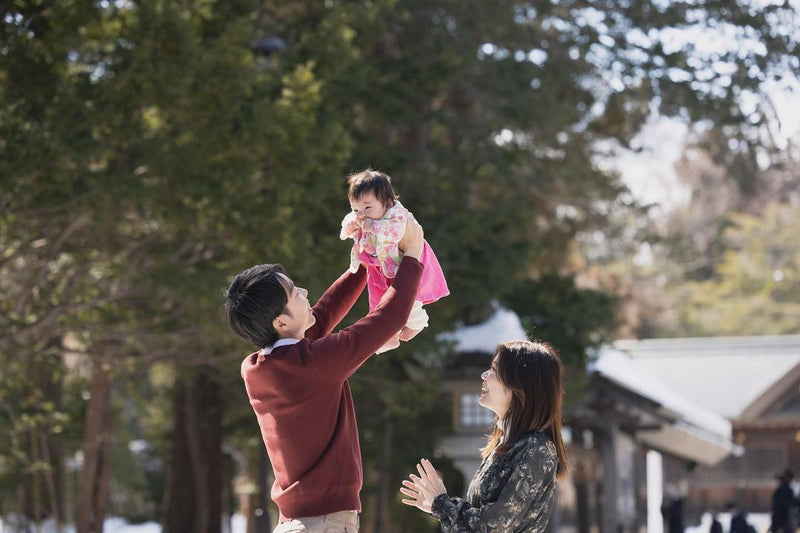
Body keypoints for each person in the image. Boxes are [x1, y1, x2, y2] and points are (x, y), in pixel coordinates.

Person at [225, 216, 425, 532]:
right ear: (279, 322)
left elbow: (320, 319)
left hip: (298, 522)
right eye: (294, 293)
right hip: (324, 524)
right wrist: (413, 256)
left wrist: (362, 264)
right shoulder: (313, 362)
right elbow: (388, 318)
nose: (304, 291)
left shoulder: (256, 367)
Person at [399, 340, 570, 532]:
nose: (484, 375)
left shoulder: (536, 448)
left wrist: (442, 504)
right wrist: (436, 506)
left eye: (495, 370)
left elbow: (494, 526)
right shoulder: (506, 443)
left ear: (520, 384)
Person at [340, 169, 449, 353]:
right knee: (379, 302)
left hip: (405, 262)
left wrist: (370, 226)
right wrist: (349, 226)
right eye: (356, 209)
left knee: (408, 298)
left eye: (368, 208)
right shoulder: (360, 215)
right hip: (381, 266)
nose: (362, 214)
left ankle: (418, 322)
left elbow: (393, 232)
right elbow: (349, 223)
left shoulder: (397, 214)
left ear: (387, 202)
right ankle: (385, 336)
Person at [770, 468, 799, 533]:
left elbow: (779, 511)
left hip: (783, 526)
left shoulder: (782, 492)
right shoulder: (788, 492)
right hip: (786, 526)